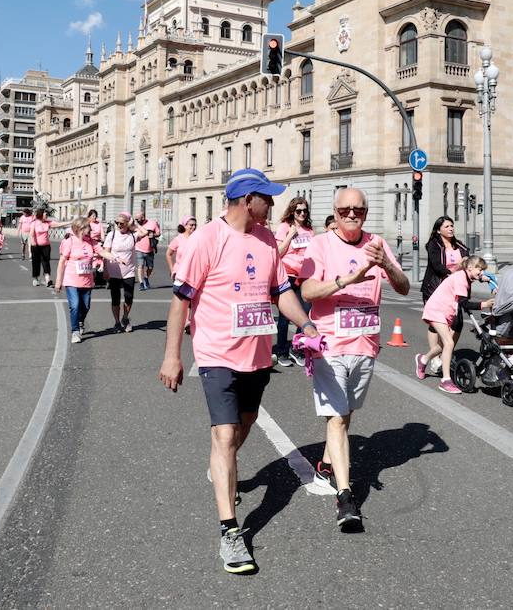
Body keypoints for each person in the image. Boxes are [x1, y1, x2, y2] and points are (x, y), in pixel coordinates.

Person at [158, 168, 317, 575]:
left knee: (242, 428)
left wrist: (307, 325)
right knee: (225, 435)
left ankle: (220, 466)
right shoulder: (205, 240)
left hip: (258, 356)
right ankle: (231, 531)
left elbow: (281, 292)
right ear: (248, 200)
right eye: (268, 197)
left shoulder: (266, 240)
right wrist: (172, 356)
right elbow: (180, 301)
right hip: (216, 356)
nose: (273, 204)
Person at [298, 187, 409, 530]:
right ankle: (346, 497)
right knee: (336, 418)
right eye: (345, 209)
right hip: (329, 345)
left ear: (365, 212)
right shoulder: (320, 244)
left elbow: (404, 287)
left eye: (358, 210)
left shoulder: (376, 242)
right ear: (335, 211)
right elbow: (306, 290)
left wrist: (385, 263)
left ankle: (327, 463)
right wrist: (350, 278)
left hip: (365, 345)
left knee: (344, 416)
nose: (351, 215)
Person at [419, 255, 492, 393]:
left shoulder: (466, 276)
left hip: (445, 311)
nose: (481, 273)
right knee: (449, 343)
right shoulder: (460, 279)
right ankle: (445, 381)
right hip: (436, 310)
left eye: (483, 270)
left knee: (443, 345)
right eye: (479, 270)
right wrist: (484, 304)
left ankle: (423, 359)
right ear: (470, 267)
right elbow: (464, 303)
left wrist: (484, 279)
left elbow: (474, 280)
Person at [274, 197, 315, 368]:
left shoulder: (309, 230)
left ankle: (296, 349)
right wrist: (290, 235)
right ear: (292, 211)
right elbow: (277, 252)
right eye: (299, 211)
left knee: (305, 314)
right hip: (288, 275)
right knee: (285, 317)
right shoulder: (284, 227)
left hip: (304, 276)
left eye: (305, 211)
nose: (302, 214)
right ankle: (282, 351)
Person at [56, 218, 106, 343]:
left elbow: (103, 251)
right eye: (88, 227)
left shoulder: (91, 242)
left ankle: (80, 322)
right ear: (80, 228)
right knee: (75, 305)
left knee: (86, 306)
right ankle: (75, 332)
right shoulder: (69, 242)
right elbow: (62, 261)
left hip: (87, 280)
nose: (91, 229)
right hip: (71, 279)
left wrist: (115, 257)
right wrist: (58, 281)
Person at [104, 212, 150, 332]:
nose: (119, 225)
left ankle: (125, 318)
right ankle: (117, 322)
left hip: (129, 272)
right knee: (115, 299)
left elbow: (145, 232)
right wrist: (105, 269)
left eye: (121, 223)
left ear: (127, 224)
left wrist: (134, 224)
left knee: (129, 297)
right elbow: (106, 253)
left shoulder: (132, 235)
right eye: (117, 223)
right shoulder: (112, 235)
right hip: (113, 271)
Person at [136, 213, 161, 289]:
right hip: (138, 248)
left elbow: (158, 233)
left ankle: (146, 278)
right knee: (140, 266)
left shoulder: (152, 223)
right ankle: (141, 283)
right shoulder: (135, 225)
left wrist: (153, 235)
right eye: (135, 219)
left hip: (150, 249)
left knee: (150, 267)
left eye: (138, 219)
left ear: (143, 217)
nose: (136, 220)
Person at [29, 208, 54, 287]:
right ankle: (35, 279)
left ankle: (48, 279)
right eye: (45, 214)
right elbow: (32, 234)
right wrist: (33, 243)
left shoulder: (47, 223)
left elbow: (58, 224)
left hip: (46, 246)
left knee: (46, 262)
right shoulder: (34, 223)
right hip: (36, 246)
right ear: (41, 214)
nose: (46, 215)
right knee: (36, 263)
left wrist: (71, 222)